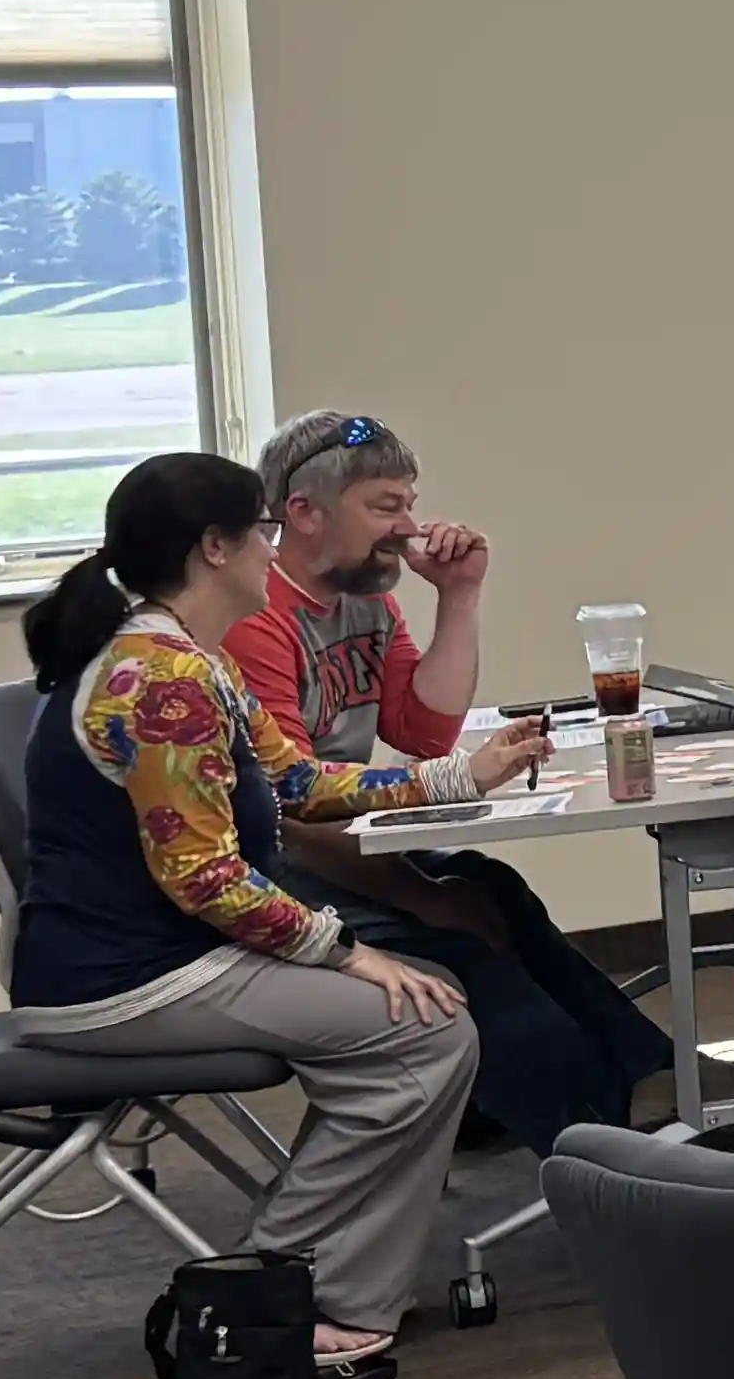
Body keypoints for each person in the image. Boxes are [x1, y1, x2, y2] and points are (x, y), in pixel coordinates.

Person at [9, 450, 545, 1379]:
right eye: (260, 531)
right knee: (423, 1026)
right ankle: (272, 1278)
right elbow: (206, 875)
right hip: (125, 980)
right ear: (214, 548)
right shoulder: (160, 678)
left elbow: (301, 784)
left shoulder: (189, 657)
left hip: (161, 956)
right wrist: (348, 953)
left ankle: (338, 1296)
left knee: (424, 1022)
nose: (272, 550)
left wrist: (464, 776)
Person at [222, 409, 663, 1145]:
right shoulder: (255, 619)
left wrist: (458, 596)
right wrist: (419, 897)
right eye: (385, 507)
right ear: (302, 513)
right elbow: (288, 814)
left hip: (333, 841)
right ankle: (595, 1134)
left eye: (410, 503)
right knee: (448, 942)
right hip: (265, 870)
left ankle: (649, 1081)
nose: (409, 527)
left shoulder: (365, 597)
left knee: (493, 892)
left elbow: (424, 733)